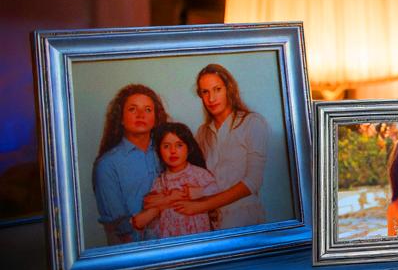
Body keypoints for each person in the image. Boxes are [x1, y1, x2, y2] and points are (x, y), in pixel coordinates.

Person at [169, 64, 269, 229]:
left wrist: (203, 205)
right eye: (205, 92)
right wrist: (163, 198)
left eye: (217, 89)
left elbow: (253, 182)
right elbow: (189, 173)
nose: (211, 98)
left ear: (229, 89)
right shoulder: (202, 133)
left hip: (246, 219)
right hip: (213, 221)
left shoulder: (252, 123)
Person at [92, 84, 168, 244]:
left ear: (156, 118)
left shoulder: (169, 151)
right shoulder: (107, 165)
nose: (141, 115)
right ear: (120, 118)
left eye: (148, 110)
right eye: (133, 109)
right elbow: (118, 227)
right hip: (137, 252)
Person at [134, 122, 219, 238]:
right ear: (159, 151)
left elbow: (216, 191)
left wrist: (194, 193)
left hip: (197, 234)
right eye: (166, 146)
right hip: (170, 238)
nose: (173, 151)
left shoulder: (199, 174)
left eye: (179, 145)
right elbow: (151, 204)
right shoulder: (160, 181)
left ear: (189, 149)